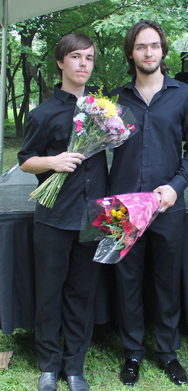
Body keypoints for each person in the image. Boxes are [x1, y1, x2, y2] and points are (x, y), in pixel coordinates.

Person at [108, 20, 188, 387]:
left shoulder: (183, 95)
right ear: (131, 53)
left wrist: (176, 187)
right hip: (123, 206)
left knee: (167, 282)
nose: (148, 52)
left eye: (154, 46)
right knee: (127, 281)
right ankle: (132, 351)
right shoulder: (114, 101)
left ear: (163, 51)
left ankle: (167, 352)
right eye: (140, 47)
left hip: (167, 206)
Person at [18, 34, 106, 391]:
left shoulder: (103, 111)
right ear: (60, 62)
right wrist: (53, 161)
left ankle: (75, 367)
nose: (83, 64)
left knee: (82, 294)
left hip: (92, 215)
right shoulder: (43, 113)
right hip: (54, 215)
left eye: (89, 58)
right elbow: (25, 161)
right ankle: (49, 366)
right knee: (50, 291)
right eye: (75, 57)